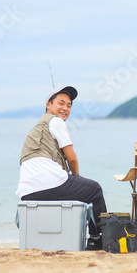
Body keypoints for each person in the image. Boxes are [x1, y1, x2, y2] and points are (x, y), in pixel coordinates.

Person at [15, 86, 107, 250]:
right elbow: (72, 158)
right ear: (48, 105)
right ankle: (96, 239)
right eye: (61, 103)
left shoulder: (36, 129)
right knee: (94, 189)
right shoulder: (55, 121)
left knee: (76, 188)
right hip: (50, 184)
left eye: (69, 105)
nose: (65, 108)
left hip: (27, 192)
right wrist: (77, 178)